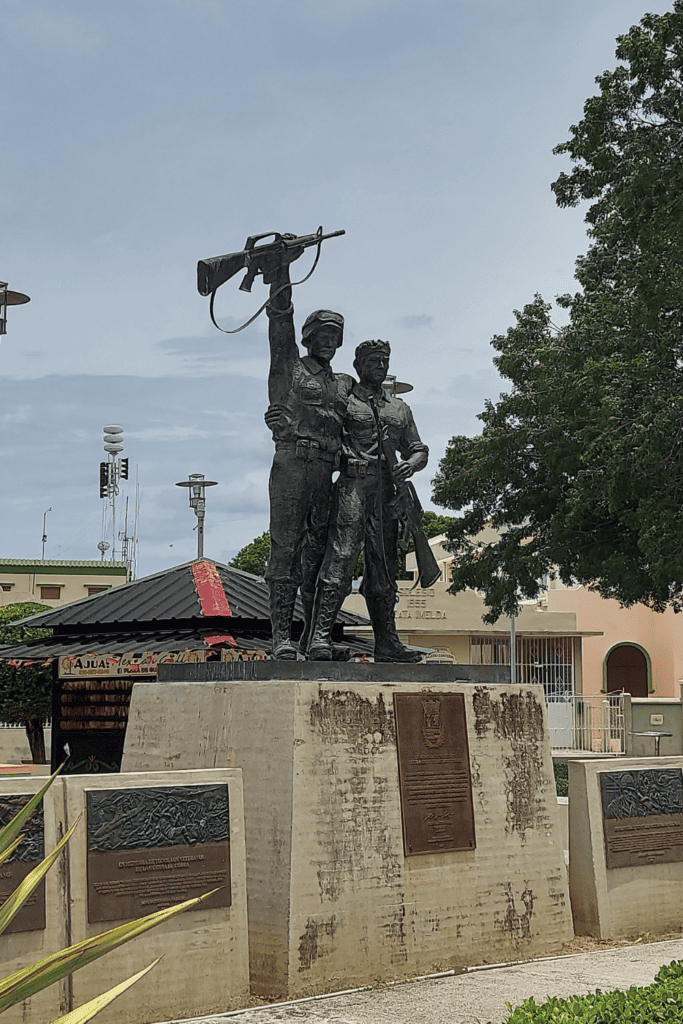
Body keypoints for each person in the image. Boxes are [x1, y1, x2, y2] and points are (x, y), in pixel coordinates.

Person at [307, 340, 428, 662]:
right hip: (353, 486)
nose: (381, 365)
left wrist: (412, 463)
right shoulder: (343, 400)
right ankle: (318, 637)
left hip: (388, 492)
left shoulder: (400, 408)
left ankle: (387, 643)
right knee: (341, 558)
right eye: (374, 360)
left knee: (384, 567)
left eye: (385, 360)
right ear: (359, 365)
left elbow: (418, 448)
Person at [263, 250, 353, 659]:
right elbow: (279, 323)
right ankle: (281, 637)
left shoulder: (345, 384)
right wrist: (279, 269)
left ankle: (315, 639)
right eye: (322, 336)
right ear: (308, 337)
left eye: (335, 337)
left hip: (328, 471)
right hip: (294, 463)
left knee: (319, 555)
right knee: (286, 548)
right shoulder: (290, 368)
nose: (329, 343)